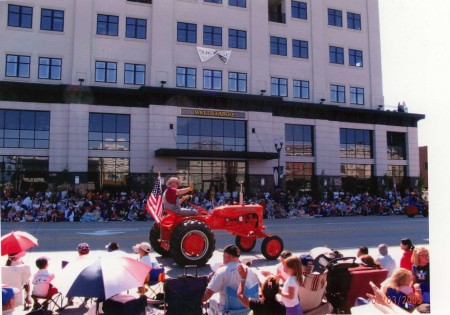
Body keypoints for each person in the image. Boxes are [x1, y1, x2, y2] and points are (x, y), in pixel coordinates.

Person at [202, 245, 241, 309]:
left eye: (223, 256)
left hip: (227, 310)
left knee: (211, 302)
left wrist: (196, 302)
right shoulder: (249, 270)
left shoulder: (222, 271)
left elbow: (208, 293)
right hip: (245, 310)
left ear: (227, 256)